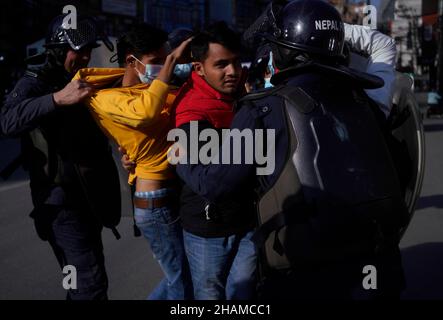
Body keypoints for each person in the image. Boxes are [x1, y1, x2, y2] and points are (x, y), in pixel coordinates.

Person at [175, 0, 406, 300]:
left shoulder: (263, 109)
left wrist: (182, 151)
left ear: (283, 52)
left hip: (305, 271)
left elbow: (215, 184)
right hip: (378, 265)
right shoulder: (367, 99)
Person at [0, 15, 120, 300]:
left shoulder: (80, 79)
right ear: (56, 49)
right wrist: (56, 99)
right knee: (89, 285)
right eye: (78, 50)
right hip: (61, 204)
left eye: (89, 50)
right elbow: (7, 121)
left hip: (88, 197)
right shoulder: (35, 82)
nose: (85, 57)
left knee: (82, 281)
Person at [72, 24, 193, 300]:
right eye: (157, 61)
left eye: (166, 59)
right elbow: (147, 114)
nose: (163, 67)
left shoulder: (150, 89)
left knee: (183, 275)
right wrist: (172, 61)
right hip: (155, 203)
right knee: (182, 282)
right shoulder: (103, 98)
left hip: (175, 193)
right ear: (131, 61)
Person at [171, 22, 257, 300]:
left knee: (243, 294)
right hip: (208, 229)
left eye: (235, 62)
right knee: (210, 296)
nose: (232, 71)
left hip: (247, 221)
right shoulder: (191, 109)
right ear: (199, 69)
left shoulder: (243, 98)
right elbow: (207, 176)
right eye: (221, 65)